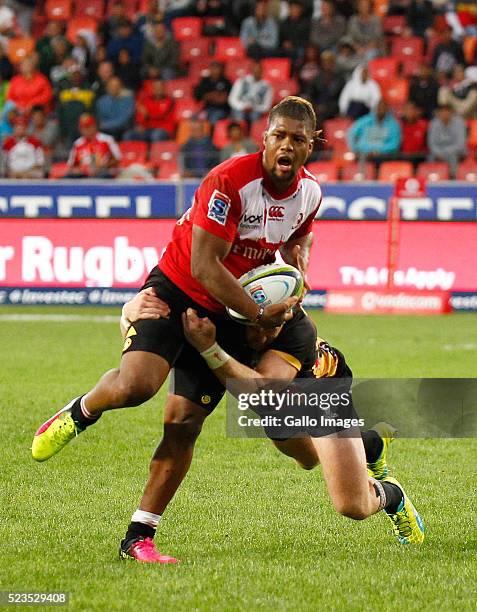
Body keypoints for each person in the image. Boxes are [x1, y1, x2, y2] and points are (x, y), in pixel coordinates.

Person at [32, 96, 327, 563]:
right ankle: (81, 411)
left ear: (313, 146)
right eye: (279, 136)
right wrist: (258, 315)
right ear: (264, 138)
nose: (286, 146)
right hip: (178, 291)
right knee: (137, 385)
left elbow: (296, 237)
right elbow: (205, 267)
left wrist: (297, 270)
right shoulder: (228, 181)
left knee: (183, 424)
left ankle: (138, 537)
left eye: (298, 139)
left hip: (229, 311)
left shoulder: (311, 192)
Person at [66, 113, 121, 178]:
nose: (86, 130)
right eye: (83, 127)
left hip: (103, 173)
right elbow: (71, 165)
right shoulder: (77, 144)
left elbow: (118, 159)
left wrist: (103, 165)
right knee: (68, 177)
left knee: (103, 176)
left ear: (94, 126)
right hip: (83, 175)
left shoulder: (107, 139)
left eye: (88, 126)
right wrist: (80, 169)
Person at [124, 79, 176, 143]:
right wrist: (140, 125)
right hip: (147, 129)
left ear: (164, 89)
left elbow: (162, 115)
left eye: (160, 87)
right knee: (128, 135)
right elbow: (140, 115)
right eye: (155, 87)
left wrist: (148, 115)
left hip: (163, 129)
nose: (158, 89)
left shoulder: (170, 101)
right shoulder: (146, 101)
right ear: (152, 89)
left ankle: (156, 152)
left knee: (156, 135)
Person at [427, 103, 467, 178]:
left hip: (457, 152)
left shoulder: (459, 123)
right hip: (438, 153)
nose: (445, 114)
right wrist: (439, 153)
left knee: (452, 157)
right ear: (438, 113)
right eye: (442, 111)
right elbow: (431, 143)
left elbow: (460, 144)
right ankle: (435, 179)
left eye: (447, 111)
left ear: (452, 112)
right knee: (430, 157)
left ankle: (453, 178)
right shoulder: (434, 123)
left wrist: (445, 152)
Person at [2, 114, 45, 178]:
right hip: (13, 173)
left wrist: (27, 172)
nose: (20, 130)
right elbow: (4, 162)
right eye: (17, 127)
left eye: (22, 127)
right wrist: (11, 172)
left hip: (32, 173)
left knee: (36, 174)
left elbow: (40, 162)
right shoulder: (8, 143)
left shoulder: (35, 142)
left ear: (26, 128)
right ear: (14, 128)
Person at [96, 76, 135, 141]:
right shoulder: (101, 101)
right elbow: (99, 118)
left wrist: (104, 125)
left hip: (122, 130)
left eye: (117, 85)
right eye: (111, 85)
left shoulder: (128, 101)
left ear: (121, 87)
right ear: (107, 87)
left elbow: (123, 120)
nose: (114, 88)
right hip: (105, 131)